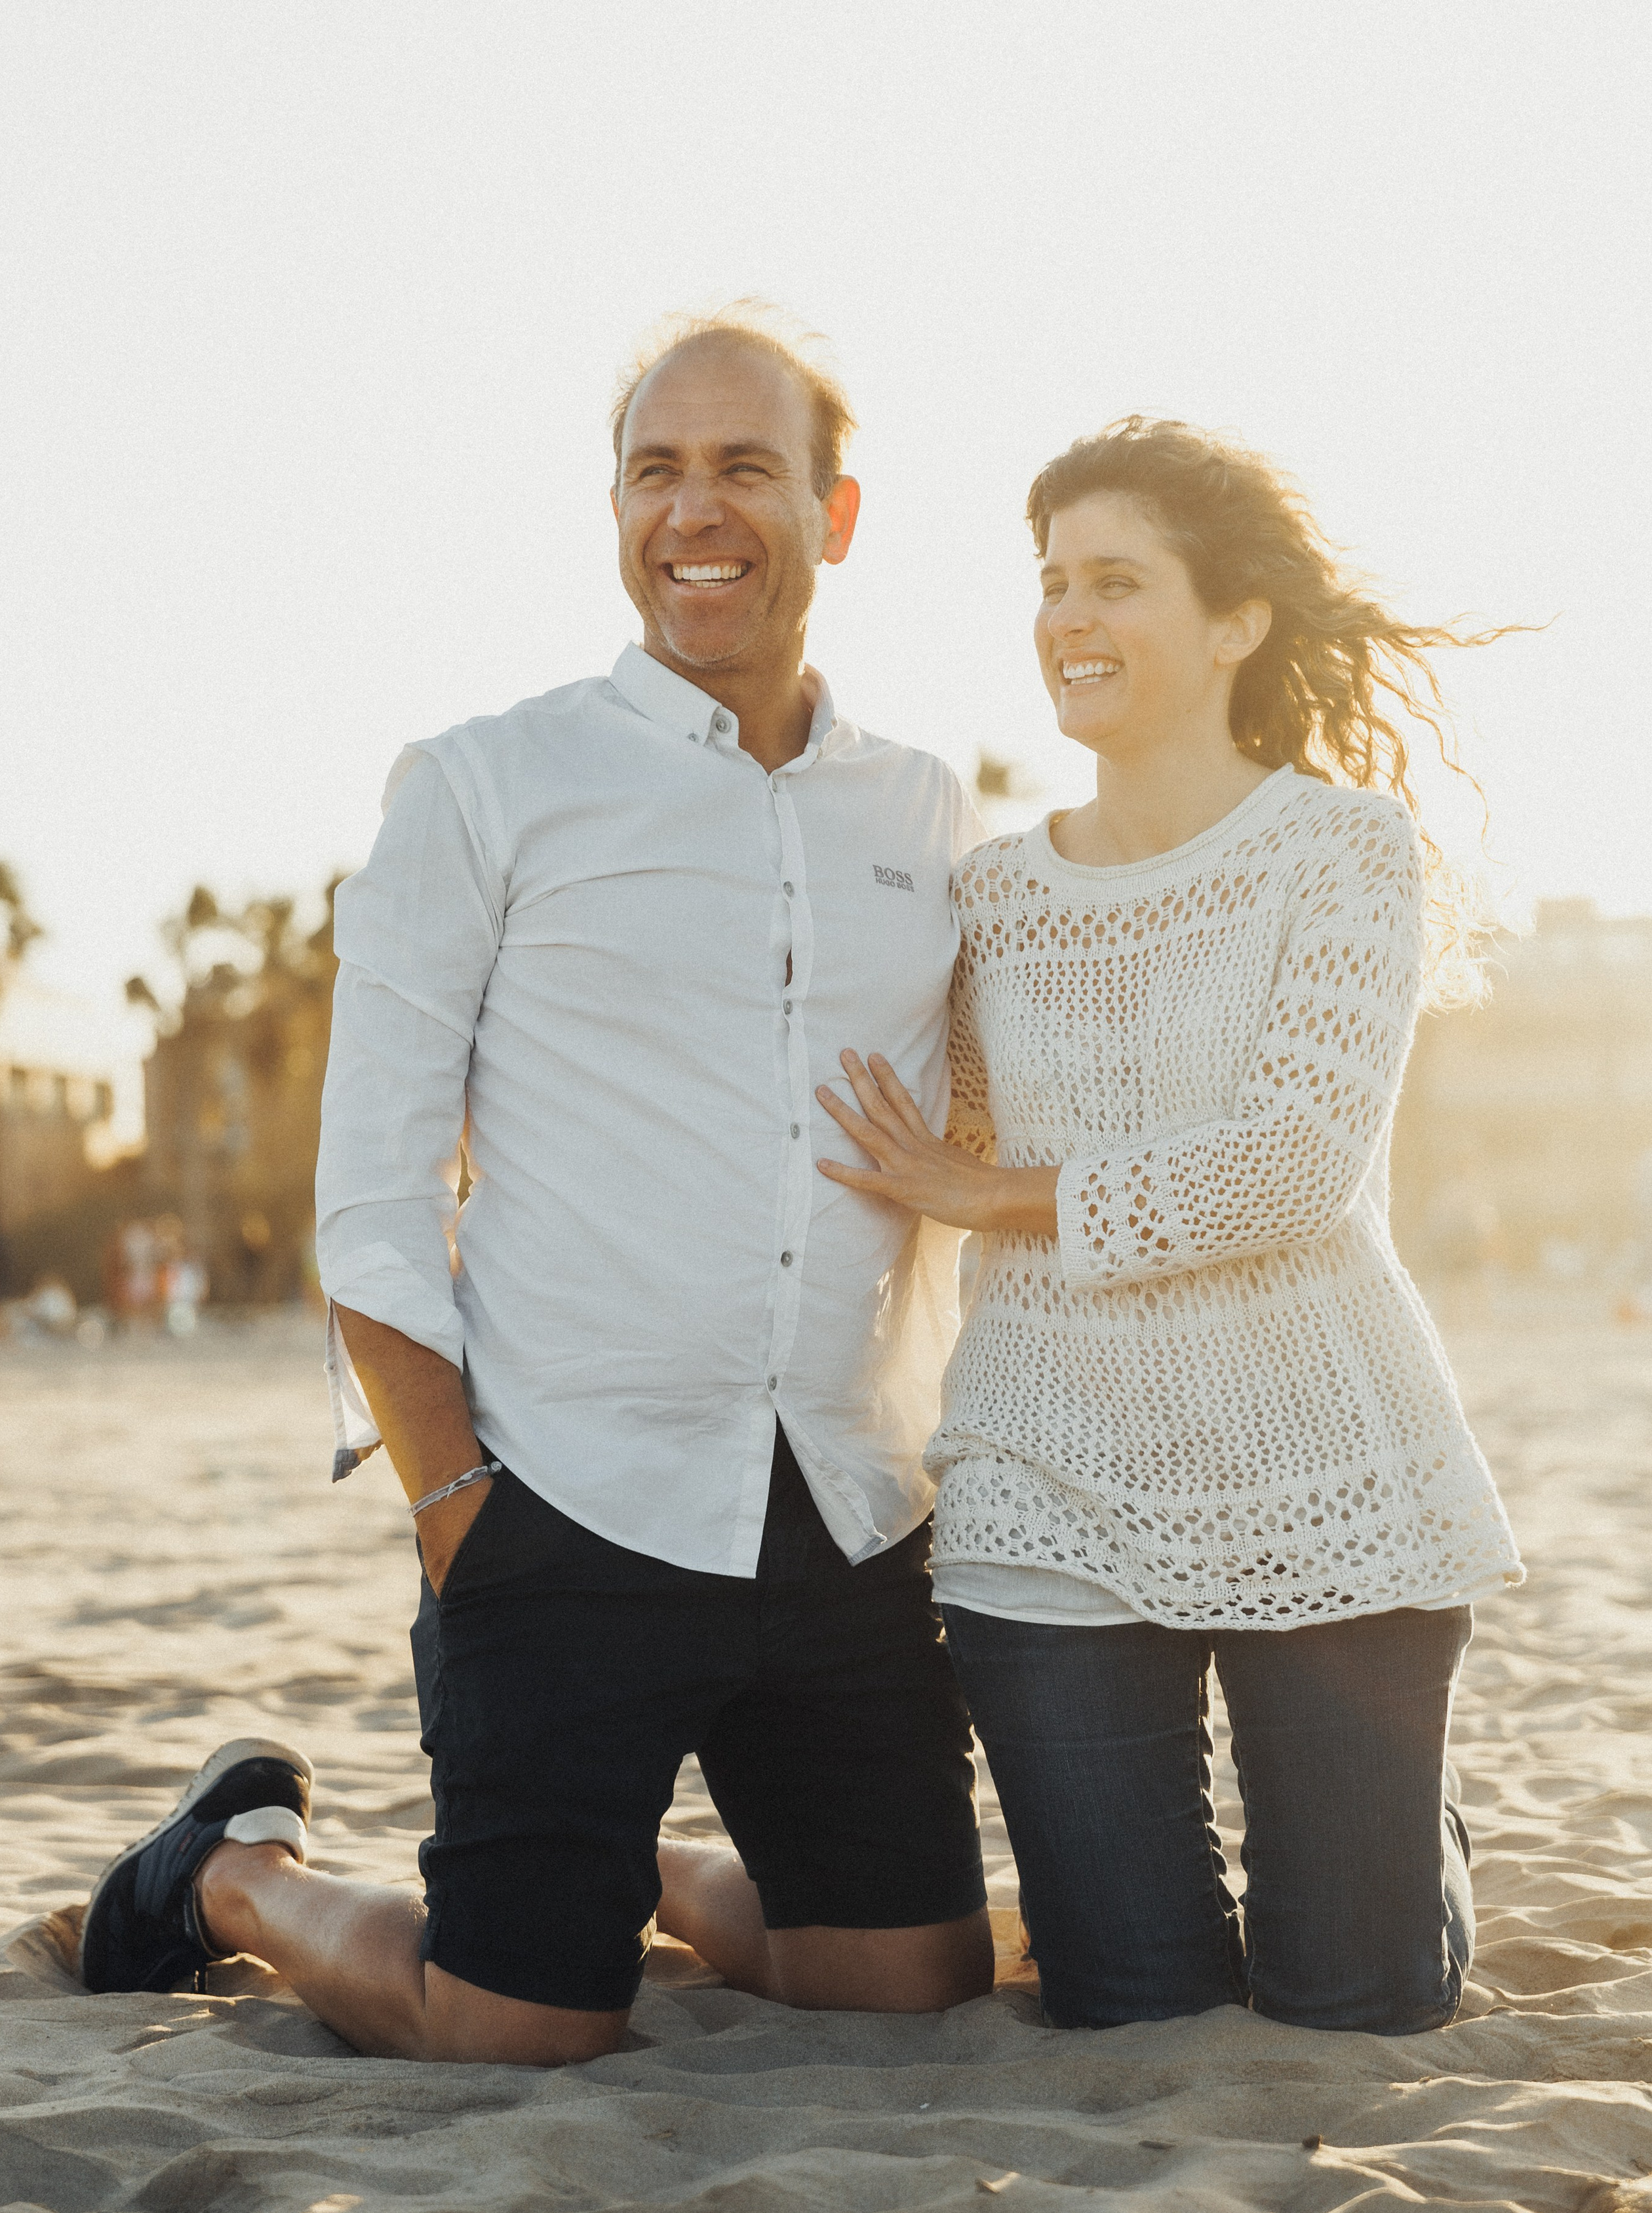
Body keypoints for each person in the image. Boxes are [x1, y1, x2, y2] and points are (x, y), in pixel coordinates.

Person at [78, 309, 994, 2055]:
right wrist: (455, 1513)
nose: (694, 511)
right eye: (656, 470)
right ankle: (230, 1880)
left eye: (743, 468)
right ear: (617, 508)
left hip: (847, 1511)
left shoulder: (926, 814)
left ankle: (614, 1861)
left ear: (837, 514)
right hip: (561, 1503)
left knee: (907, 1985)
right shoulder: (490, 784)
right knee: (509, 2028)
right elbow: (371, 1193)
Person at [816, 416, 1524, 2036]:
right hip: (1045, 1487)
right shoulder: (988, 895)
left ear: (1235, 621)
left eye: (1114, 582)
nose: (1066, 617)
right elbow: (943, 1135)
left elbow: (1292, 1164)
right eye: (1051, 582)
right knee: (1134, 2007)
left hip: (1327, 1475)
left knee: (1351, 2003)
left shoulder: (1341, 853)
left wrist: (997, 1196)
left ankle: (1408, 1841)